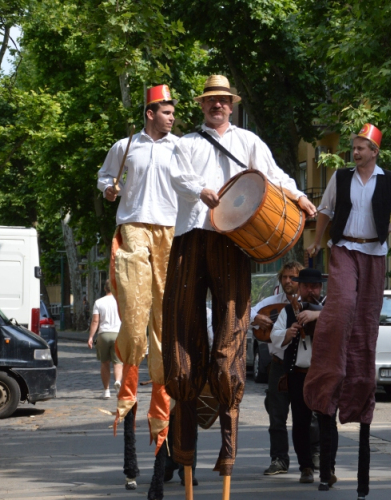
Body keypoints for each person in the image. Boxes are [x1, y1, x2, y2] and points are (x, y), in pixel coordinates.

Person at [161, 75, 316, 486]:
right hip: (192, 235)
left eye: (223, 100)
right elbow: (177, 177)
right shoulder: (187, 143)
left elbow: (274, 175)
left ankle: (226, 437)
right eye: (211, 100)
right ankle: (184, 446)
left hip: (232, 240)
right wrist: (202, 190)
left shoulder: (248, 141)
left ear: (232, 104)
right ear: (203, 105)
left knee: (231, 328)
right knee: (182, 329)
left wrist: (298, 197)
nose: (217, 106)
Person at [303, 123, 391, 496]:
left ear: (375, 152)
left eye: (361, 148)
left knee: (364, 324)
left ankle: (357, 384)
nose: (355, 152)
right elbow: (325, 210)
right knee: (341, 308)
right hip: (343, 249)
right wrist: (318, 241)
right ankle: (328, 372)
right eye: (354, 147)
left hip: (374, 253)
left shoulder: (390, 180)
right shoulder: (340, 179)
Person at [97, 84, 187, 493]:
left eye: (172, 112)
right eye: (166, 111)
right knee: (134, 312)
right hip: (133, 224)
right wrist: (108, 188)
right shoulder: (125, 145)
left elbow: (191, 183)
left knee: (165, 315)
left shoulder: (179, 146)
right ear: (151, 112)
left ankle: (163, 400)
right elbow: (104, 177)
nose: (172, 117)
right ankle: (128, 384)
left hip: (169, 228)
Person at [271, 268, 326, 484]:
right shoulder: (288, 311)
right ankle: (305, 467)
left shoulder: (329, 306)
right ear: (300, 288)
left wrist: (317, 314)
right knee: (300, 422)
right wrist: (288, 333)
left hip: (322, 375)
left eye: (314, 286)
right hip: (299, 374)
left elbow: (341, 318)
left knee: (325, 421)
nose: (310, 290)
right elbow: (275, 335)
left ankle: (326, 465)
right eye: (306, 286)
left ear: (320, 288)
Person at [250, 261, 302, 476]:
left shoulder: (309, 303)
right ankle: (279, 459)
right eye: (284, 277)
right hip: (278, 366)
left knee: (309, 416)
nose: (288, 281)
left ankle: (314, 456)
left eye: (292, 277)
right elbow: (247, 316)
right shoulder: (270, 303)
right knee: (276, 416)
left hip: (303, 367)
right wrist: (255, 318)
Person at [87, 280, 122, 399]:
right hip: (118, 333)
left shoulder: (99, 302)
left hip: (103, 334)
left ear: (104, 288)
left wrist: (91, 337)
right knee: (118, 362)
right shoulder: (121, 301)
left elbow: (95, 321)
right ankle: (117, 382)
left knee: (105, 362)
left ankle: (106, 390)